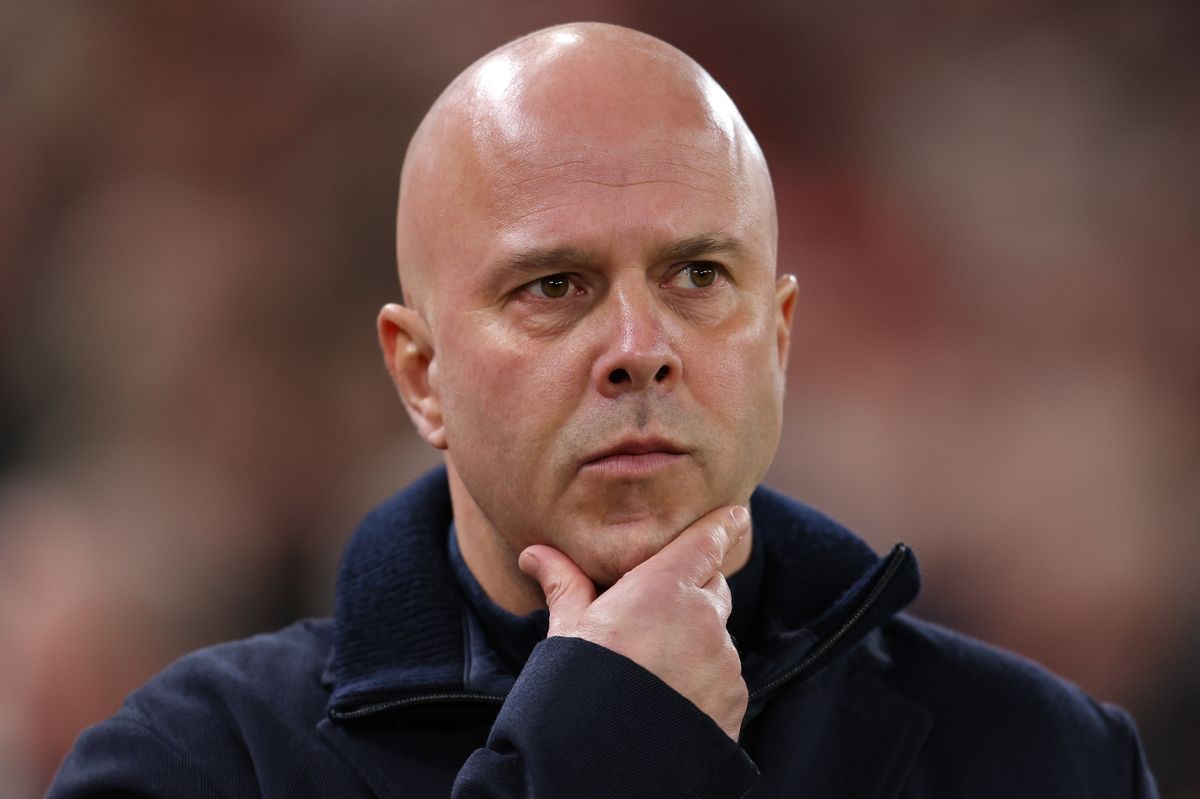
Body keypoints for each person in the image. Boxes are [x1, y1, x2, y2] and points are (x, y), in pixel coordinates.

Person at [49, 22, 1157, 798]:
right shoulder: (194, 765)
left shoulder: (1046, 758)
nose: (638, 351)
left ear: (776, 338)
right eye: (555, 287)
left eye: (697, 278)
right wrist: (598, 762)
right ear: (420, 375)